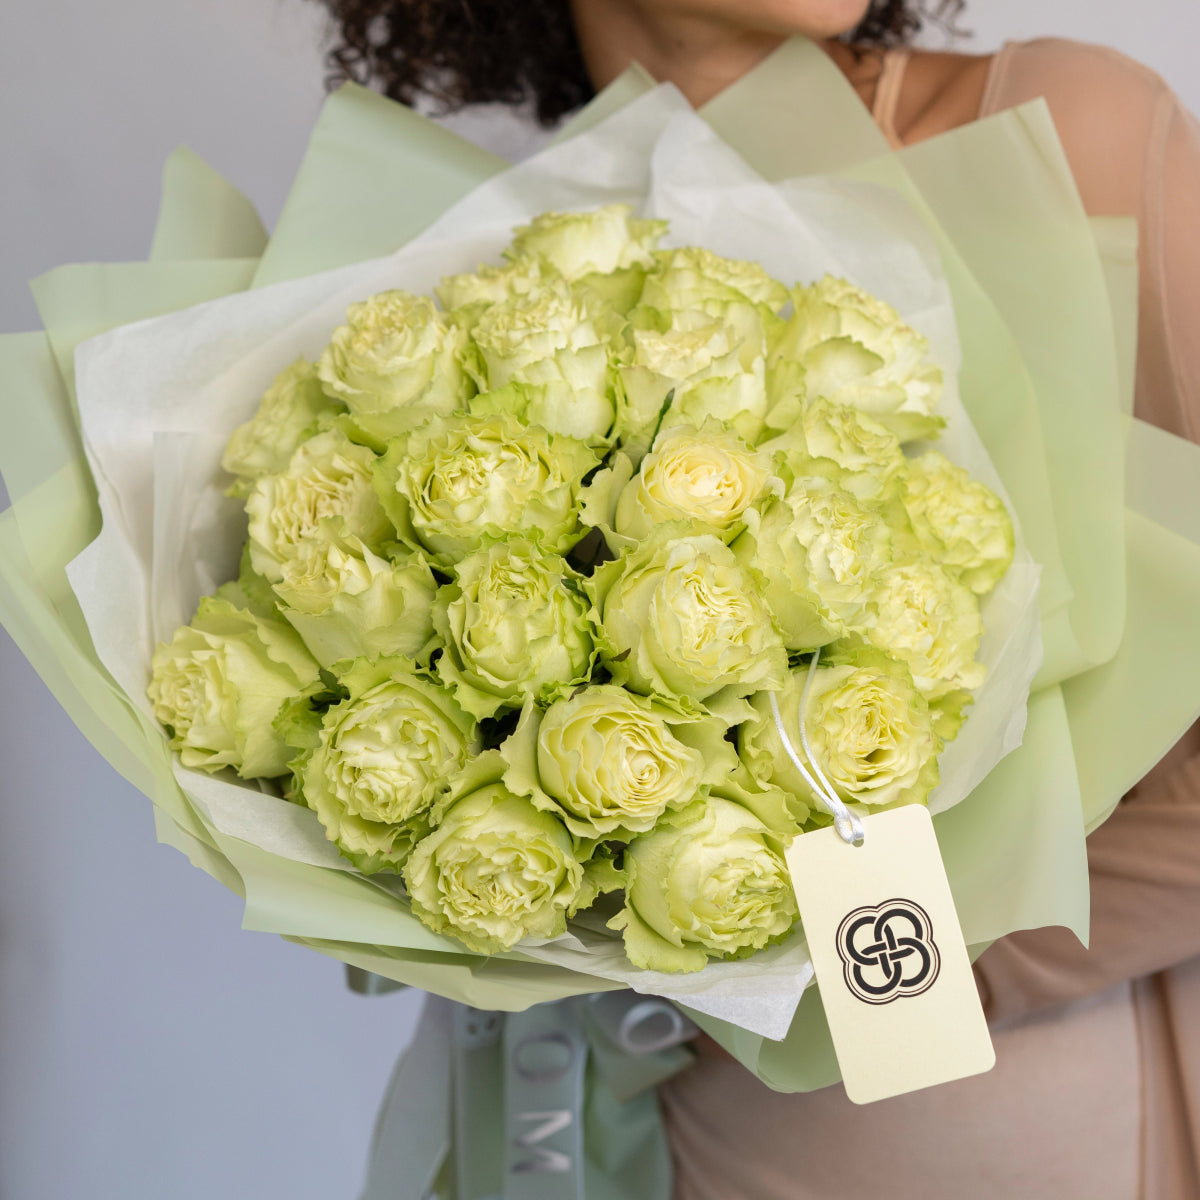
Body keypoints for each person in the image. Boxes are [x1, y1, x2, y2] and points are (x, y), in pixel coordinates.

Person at [311, 2, 1200, 1195]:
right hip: (595, 1117)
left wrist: (866, 966)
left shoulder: (1067, 127)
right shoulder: (503, 265)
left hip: (965, 1113)